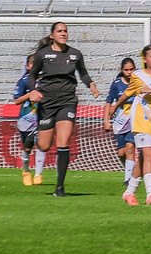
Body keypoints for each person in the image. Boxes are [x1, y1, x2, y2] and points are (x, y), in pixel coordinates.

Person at [27, 22, 100, 197]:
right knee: (44, 146)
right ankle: (33, 138)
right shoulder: (42, 55)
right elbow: (32, 75)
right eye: (60, 31)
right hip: (47, 103)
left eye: (65, 31)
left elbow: (82, 72)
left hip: (67, 101)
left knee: (64, 142)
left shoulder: (75, 54)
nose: (63, 33)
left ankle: (59, 188)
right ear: (52, 35)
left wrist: (91, 84)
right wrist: (33, 91)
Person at [111, 44, 151, 206]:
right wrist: (114, 106)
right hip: (141, 120)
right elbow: (128, 92)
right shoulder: (138, 76)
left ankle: (129, 192)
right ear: (145, 59)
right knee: (148, 155)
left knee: (142, 160)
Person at [13, 55, 46, 186]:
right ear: (27, 66)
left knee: (41, 146)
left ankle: (38, 174)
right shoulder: (24, 81)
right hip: (27, 120)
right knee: (27, 147)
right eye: (32, 64)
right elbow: (16, 100)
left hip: (42, 117)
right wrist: (29, 95)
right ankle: (26, 171)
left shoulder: (44, 81)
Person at [104, 57, 137, 186]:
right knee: (121, 152)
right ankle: (128, 170)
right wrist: (106, 120)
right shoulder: (117, 84)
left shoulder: (139, 82)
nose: (129, 72)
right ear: (122, 70)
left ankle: (128, 179)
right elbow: (108, 102)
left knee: (130, 147)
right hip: (120, 120)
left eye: (132, 69)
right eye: (126, 70)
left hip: (134, 120)